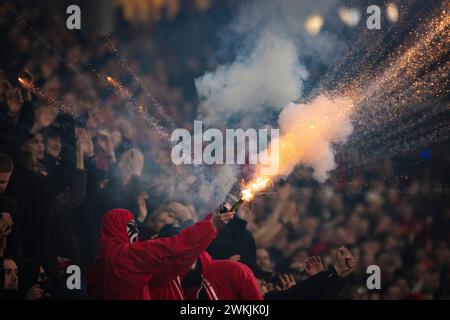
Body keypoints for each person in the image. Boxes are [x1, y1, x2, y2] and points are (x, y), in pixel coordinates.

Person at [87, 208, 235, 300]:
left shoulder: (100, 265)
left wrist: (211, 227)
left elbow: (175, 264)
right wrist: (210, 226)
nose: (134, 234)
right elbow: (173, 247)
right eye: (129, 228)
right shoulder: (124, 257)